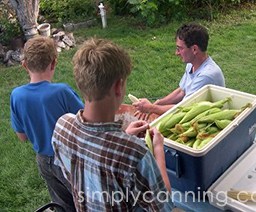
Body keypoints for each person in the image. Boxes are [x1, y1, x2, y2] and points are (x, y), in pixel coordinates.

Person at [51, 38, 174, 211]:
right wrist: (159, 149)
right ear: (118, 86)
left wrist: (125, 137)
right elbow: (164, 205)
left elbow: (81, 172)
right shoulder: (135, 154)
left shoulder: (61, 126)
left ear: (80, 82)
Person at [10, 36, 83, 211]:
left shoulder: (16, 95)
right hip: (69, 159)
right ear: (54, 63)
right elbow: (86, 123)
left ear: (24, 65)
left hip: (43, 160)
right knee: (84, 199)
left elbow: (21, 136)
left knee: (62, 204)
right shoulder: (62, 92)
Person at [133, 23, 225, 118]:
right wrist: (158, 103)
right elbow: (181, 91)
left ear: (194, 49)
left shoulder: (206, 76)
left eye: (179, 48)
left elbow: (184, 109)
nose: (176, 53)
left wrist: (151, 108)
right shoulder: (191, 65)